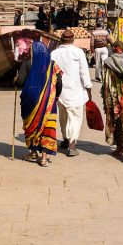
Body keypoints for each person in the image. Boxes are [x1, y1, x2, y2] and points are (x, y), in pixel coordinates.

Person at [16, 34, 62, 167]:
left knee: (32, 125)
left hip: (30, 99)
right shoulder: (53, 65)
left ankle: (33, 152)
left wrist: (15, 80)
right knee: (47, 126)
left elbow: (20, 81)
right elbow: (59, 82)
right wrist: (56, 95)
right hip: (49, 100)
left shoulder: (27, 62)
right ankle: (44, 158)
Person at [51, 29, 92, 157]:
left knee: (63, 117)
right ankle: (72, 145)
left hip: (60, 91)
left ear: (61, 40)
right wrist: (89, 88)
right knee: (75, 117)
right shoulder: (78, 52)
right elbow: (84, 73)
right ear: (73, 40)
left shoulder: (54, 53)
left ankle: (65, 139)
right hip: (76, 91)